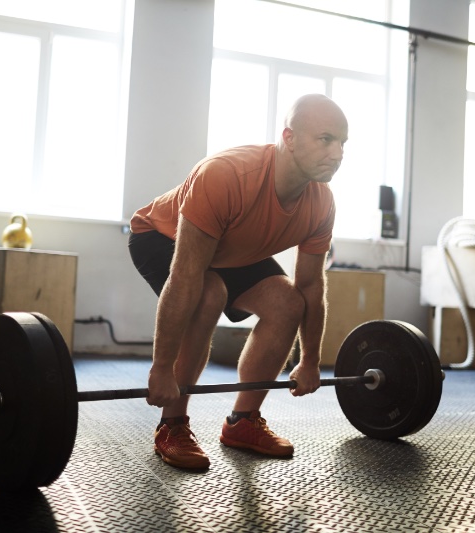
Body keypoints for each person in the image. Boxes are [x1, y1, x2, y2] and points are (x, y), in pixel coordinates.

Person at [128, 93, 348, 469]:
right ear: (289, 137)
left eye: (342, 143)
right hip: (161, 234)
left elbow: (311, 287)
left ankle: (242, 421)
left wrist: (310, 361)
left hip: (232, 247)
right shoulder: (226, 175)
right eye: (325, 139)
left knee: (287, 302)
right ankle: (173, 424)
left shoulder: (321, 203)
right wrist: (161, 369)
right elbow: (186, 276)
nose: (337, 152)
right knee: (207, 292)